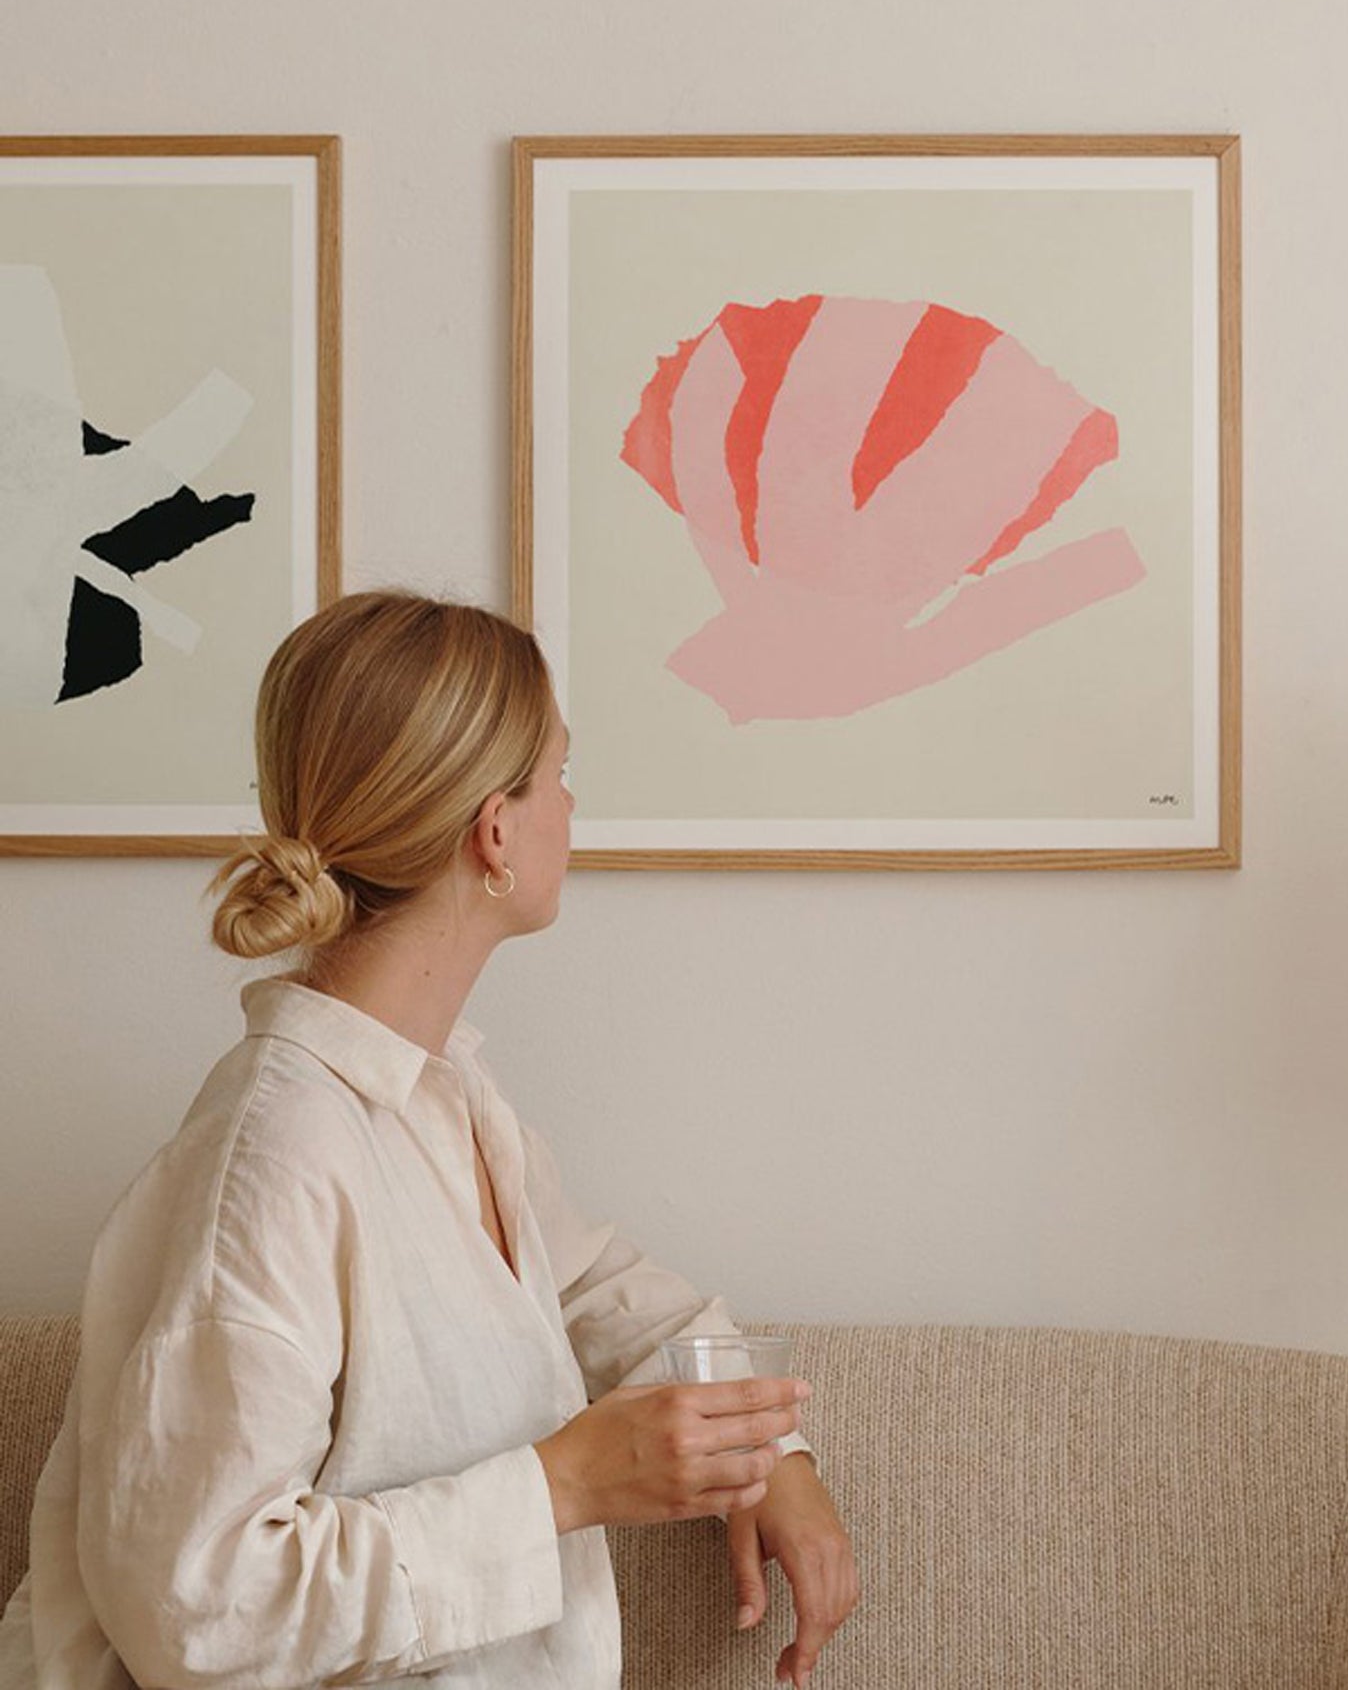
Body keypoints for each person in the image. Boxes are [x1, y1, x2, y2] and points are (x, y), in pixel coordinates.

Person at [0, 591, 858, 1689]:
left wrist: (774, 1456)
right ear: (495, 832)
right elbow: (199, 1609)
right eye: (559, 773)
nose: (572, 804)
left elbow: (594, 1287)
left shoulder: (445, 1094)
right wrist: (562, 1486)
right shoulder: (274, 1160)